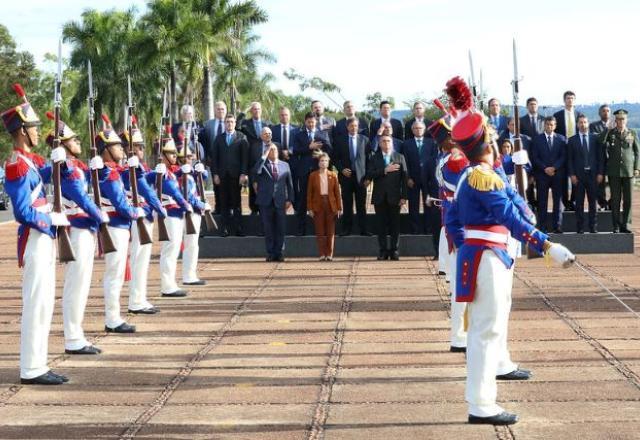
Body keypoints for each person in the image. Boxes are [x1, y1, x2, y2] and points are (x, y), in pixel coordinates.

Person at [448, 105, 575, 426]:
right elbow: (510, 219)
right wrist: (547, 246)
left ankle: (482, 400)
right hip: (488, 258)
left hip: (484, 256)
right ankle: (481, 404)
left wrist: (468, 248)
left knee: (487, 329)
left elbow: (453, 222)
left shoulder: (471, 176)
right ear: (488, 145)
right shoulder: (481, 177)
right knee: (486, 331)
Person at [2, 84, 71, 385]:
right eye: (33, 127)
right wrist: (50, 217)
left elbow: (51, 176)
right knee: (35, 303)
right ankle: (31, 368)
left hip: (44, 238)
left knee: (45, 303)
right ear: (21, 131)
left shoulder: (30, 163)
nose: (37, 131)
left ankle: (39, 364)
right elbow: (22, 212)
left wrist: (61, 158)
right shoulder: (16, 165)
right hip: (35, 235)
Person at [47, 113, 108, 354]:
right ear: (63, 146)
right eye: (73, 140)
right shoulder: (66, 170)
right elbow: (81, 198)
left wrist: (99, 169)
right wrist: (99, 214)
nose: (78, 142)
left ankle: (76, 334)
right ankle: (73, 337)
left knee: (81, 285)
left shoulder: (74, 167)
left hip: (84, 230)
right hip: (77, 231)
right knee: (76, 285)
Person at [96, 114, 145, 333]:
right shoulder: (108, 174)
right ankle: (112, 318)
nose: (122, 149)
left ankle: (114, 316)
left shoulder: (112, 172)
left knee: (115, 273)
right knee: (114, 274)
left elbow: (133, 179)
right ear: (106, 149)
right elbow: (121, 205)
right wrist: (138, 212)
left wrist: (136, 166)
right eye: (117, 146)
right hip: (115, 227)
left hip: (119, 228)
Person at [121, 118, 166, 313]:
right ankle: (135, 301)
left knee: (143, 261)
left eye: (141, 147)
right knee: (138, 260)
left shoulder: (137, 168)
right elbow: (142, 190)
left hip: (145, 216)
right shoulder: (125, 167)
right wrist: (159, 207)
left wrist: (155, 173)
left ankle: (140, 298)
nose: (141, 151)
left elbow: (144, 183)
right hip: (137, 218)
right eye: (138, 148)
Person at [151, 127, 194, 297]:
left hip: (175, 214)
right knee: (170, 250)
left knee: (174, 249)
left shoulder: (172, 172)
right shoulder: (162, 174)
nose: (175, 158)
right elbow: (174, 192)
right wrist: (185, 205)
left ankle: (170, 282)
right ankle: (167, 285)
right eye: (172, 155)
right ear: (163, 156)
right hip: (169, 215)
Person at [367, 135, 408, 260]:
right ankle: (383, 251)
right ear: (379, 144)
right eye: (383, 141)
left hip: (395, 197)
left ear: (392, 143)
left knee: (395, 225)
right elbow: (370, 174)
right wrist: (385, 170)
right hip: (379, 196)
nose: (386, 143)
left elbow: (404, 178)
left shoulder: (399, 157)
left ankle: (394, 250)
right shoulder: (374, 158)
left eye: (388, 141)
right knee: (381, 225)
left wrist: (404, 197)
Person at [599, 109, 639, 233]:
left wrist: (636, 168)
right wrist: (607, 129)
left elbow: (637, 152)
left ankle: (626, 225)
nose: (621, 121)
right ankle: (615, 226)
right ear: (615, 120)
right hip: (614, 172)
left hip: (628, 172)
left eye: (623, 119)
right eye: (618, 119)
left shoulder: (632, 133)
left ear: (626, 120)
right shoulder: (610, 133)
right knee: (615, 200)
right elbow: (600, 142)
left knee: (628, 200)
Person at [176, 134, 209, 284]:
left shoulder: (187, 174)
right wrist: (203, 205)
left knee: (191, 245)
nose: (191, 159)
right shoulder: (185, 177)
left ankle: (189, 275)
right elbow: (190, 198)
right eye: (189, 157)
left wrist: (201, 170)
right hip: (190, 212)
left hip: (188, 212)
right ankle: (189, 276)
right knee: (191, 245)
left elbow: (205, 177)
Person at [292, 112, 332, 235]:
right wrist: (309, 147)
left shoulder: (323, 134)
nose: (311, 124)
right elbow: (295, 150)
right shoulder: (299, 135)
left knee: (320, 199)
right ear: (305, 122)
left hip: (319, 171)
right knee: (303, 200)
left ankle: (320, 229)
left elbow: (330, 149)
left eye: (313, 121)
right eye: (309, 121)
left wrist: (321, 153)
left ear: (316, 122)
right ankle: (300, 229)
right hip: (304, 172)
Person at [253, 143, 294, 262]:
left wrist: (290, 199)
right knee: (268, 228)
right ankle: (271, 253)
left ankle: (280, 252)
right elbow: (255, 170)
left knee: (281, 228)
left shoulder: (285, 165)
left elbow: (289, 184)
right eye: (271, 149)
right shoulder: (262, 165)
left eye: (275, 149)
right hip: (265, 202)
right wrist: (264, 156)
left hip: (280, 201)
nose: (274, 151)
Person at [211, 114, 249, 236]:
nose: (229, 124)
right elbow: (214, 159)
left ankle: (239, 228)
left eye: (232, 122)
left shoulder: (241, 137)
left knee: (236, 202)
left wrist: (243, 173)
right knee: (224, 203)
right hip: (222, 176)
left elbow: (245, 158)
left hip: (236, 176)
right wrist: (215, 174)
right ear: (224, 123)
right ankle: (225, 229)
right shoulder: (219, 138)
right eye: (227, 122)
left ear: (234, 123)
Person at [333, 117, 371, 236]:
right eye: (351, 126)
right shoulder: (340, 140)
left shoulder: (365, 140)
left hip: (361, 178)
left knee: (361, 205)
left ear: (358, 127)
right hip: (346, 177)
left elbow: (369, 160)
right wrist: (341, 169)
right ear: (347, 127)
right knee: (347, 204)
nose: (353, 128)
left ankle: (363, 229)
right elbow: (335, 158)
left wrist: (368, 177)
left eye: (356, 126)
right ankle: (346, 229)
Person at [531, 116, 566, 233]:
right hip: (542, 175)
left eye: (552, 125)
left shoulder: (561, 139)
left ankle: (558, 226)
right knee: (542, 202)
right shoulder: (536, 140)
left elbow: (563, 156)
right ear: (544, 125)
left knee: (558, 202)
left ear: (555, 126)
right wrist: (545, 168)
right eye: (547, 125)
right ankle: (543, 227)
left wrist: (554, 167)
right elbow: (534, 158)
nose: (549, 127)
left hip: (557, 175)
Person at [401, 121, 437, 234]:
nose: (418, 130)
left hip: (428, 179)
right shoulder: (406, 144)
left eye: (420, 128)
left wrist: (432, 178)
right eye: (415, 128)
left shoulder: (432, 143)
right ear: (412, 130)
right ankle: (415, 230)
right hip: (413, 179)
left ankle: (429, 229)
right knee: (413, 206)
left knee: (429, 205)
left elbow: (434, 161)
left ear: (424, 129)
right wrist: (408, 178)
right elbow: (405, 162)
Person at [568, 115, 602, 233]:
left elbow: (600, 157)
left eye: (585, 122)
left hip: (593, 176)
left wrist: (600, 173)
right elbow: (570, 159)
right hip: (578, 177)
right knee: (579, 204)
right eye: (581, 122)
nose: (583, 125)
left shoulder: (595, 139)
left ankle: (593, 227)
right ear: (577, 124)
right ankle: (580, 227)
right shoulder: (572, 140)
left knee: (593, 203)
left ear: (588, 124)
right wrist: (572, 174)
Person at [307, 153, 342, 261]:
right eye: (321, 161)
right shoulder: (313, 175)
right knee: (320, 231)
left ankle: (329, 254)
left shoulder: (333, 175)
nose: (323, 163)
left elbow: (337, 193)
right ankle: (322, 254)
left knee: (330, 231)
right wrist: (310, 208)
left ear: (328, 162)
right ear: (318, 162)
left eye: (325, 161)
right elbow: (309, 193)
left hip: (331, 205)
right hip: (318, 204)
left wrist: (339, 208)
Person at [240, 102, 271, 215]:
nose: (256, 111)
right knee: (253, 185)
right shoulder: (245, 124)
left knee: (265, 185)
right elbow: (237, 125)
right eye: (254, 109)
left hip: (265, 159)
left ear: (261, 110)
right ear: (251, 111)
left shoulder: (267, 123)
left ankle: (265, 209)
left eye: (258, 109)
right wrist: (244, 112)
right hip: (251, 158)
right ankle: (253, 210)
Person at [554, 91, 582, 211]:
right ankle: (565, 202)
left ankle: (574, 201)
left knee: (576, 175)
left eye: (572, 98)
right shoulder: (558, 115)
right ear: (564, 100)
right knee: (563, 177)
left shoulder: (579, 115)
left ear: (574, 100)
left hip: (576, 149)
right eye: (568, 98)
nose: (570, 100)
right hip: (562, 149)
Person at [201, 100, 228, 214]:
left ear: (226, 111)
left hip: (228, 161)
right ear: (214, 110)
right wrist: (206, 157)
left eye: (223, 109)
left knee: (227, 185)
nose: (221, 111)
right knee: (216, 184)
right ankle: (218, 208)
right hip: (213, 161)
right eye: (218, 109)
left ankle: (228, 208)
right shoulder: (208, 124)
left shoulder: (230, 122)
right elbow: (205, 142)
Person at [590, 104, 613, 210]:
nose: (606, 112)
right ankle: (602, 204)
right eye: (603, 111)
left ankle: (612, 203)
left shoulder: (616, 125)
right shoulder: (593, 126)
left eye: (608, 111)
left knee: (614, 183)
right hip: (599, 158)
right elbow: (598, 139)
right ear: (599, 113)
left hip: (613, 159)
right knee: (600, 183)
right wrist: (607, 129)